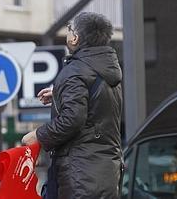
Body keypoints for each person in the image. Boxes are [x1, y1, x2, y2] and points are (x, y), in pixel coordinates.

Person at [22, 12, 123, 199]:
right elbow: (98, 106)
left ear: (75, 37)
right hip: (106, 171)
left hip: (79, 174)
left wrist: (37, 135)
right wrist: (60, 93)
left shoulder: (75, 71)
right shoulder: (107, 70)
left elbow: (72, 120)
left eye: (69, 28)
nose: (68, 32)